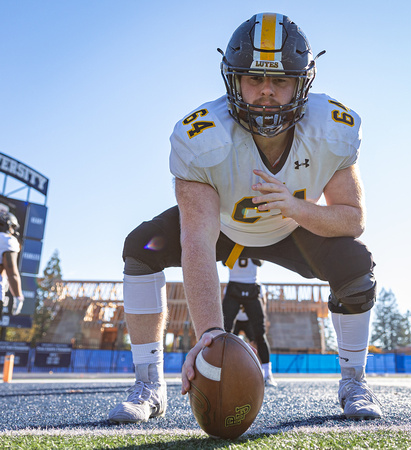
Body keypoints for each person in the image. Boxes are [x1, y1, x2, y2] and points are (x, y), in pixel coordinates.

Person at [109, 12, 381, 424]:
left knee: (356, 266)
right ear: (234, 80)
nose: (266, 92)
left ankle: (354, 383)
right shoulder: (202, 138)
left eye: (280, 81)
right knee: (140, 248)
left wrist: (295, 207)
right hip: (223, 226)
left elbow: (353, 219)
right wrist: (211, 335)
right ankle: (149, 384)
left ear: (301, 84)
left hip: (293, 228)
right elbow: (197, 241)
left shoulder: (331, 129)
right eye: (254, 79)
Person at [222, 258, 277, 387]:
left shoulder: (253, 241)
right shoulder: (233, 242)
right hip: (235, 285)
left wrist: (249, 247)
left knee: (260, 334)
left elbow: (259, 261)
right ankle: (221, 372)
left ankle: (267, 374)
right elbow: (225, 262)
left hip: (251, 285)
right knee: (224, 333)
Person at [0, 210, 24, 316]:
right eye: (13, 227)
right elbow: (11, 272)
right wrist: (18, 297)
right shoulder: (7, 240)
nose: (13, 231)